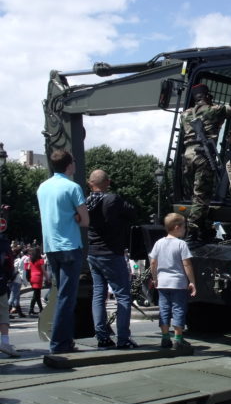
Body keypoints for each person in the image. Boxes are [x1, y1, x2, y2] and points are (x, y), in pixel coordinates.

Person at [36, 149, 89, 354]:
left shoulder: (42, 187)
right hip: (70, 245)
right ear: (69, 165)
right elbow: (85, 220)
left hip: (50, 246)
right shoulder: (73, 187)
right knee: (68, 296)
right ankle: (59, 343)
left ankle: (65, 341)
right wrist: (76, 217)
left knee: (61, 295)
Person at [180, 83, 231, 242]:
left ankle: (203, 226)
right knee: (202, 196)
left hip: (187, 156)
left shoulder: (184, 114)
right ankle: (192, 228)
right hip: (202, 156)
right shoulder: (214, 110)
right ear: (207, 96)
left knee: (193, 195)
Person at [86, 169, 137, 349]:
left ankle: (102, 337)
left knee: (99, 295)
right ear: (107, 182)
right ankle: (123, 338)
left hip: (93, 252)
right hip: (111, 252)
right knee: (123, 295)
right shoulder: (112, 199)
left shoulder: (87, 202)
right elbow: (132, 213)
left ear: (90, 183)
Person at [149, 213, 196, 349]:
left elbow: (153, 262)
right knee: (178, 309)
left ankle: (165, 338)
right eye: (184, 227)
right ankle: (178, 339)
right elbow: (187, 264)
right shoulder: (181, 244)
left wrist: (155, 278)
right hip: (178, 283)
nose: (185, 230)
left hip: (162, 283)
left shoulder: (159, 243)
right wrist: (191, 281)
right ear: (177, 227)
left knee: (164, 309)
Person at [0, 235, 19, 357]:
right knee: (3, 314)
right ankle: (5, 342)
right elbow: (10, 264)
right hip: (0, 283)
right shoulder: (3, 243)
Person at [26, 247, 48, 316]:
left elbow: (28, 268)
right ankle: (40, 309)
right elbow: (44, 271)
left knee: (35, 295)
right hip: (38, 278)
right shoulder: (41, 260)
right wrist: (47, 278)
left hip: (32, 277)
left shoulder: (31, 260)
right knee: (37, 295)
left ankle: (31, 309)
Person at [8, 245, 26, 318]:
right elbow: (22, 271)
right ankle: (6, 313)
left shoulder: (11, 260)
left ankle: (20, 312)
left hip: (10, 280)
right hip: (17, 280)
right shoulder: (19, 260)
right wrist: (24, 281)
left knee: (16, 297)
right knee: (12, 298)